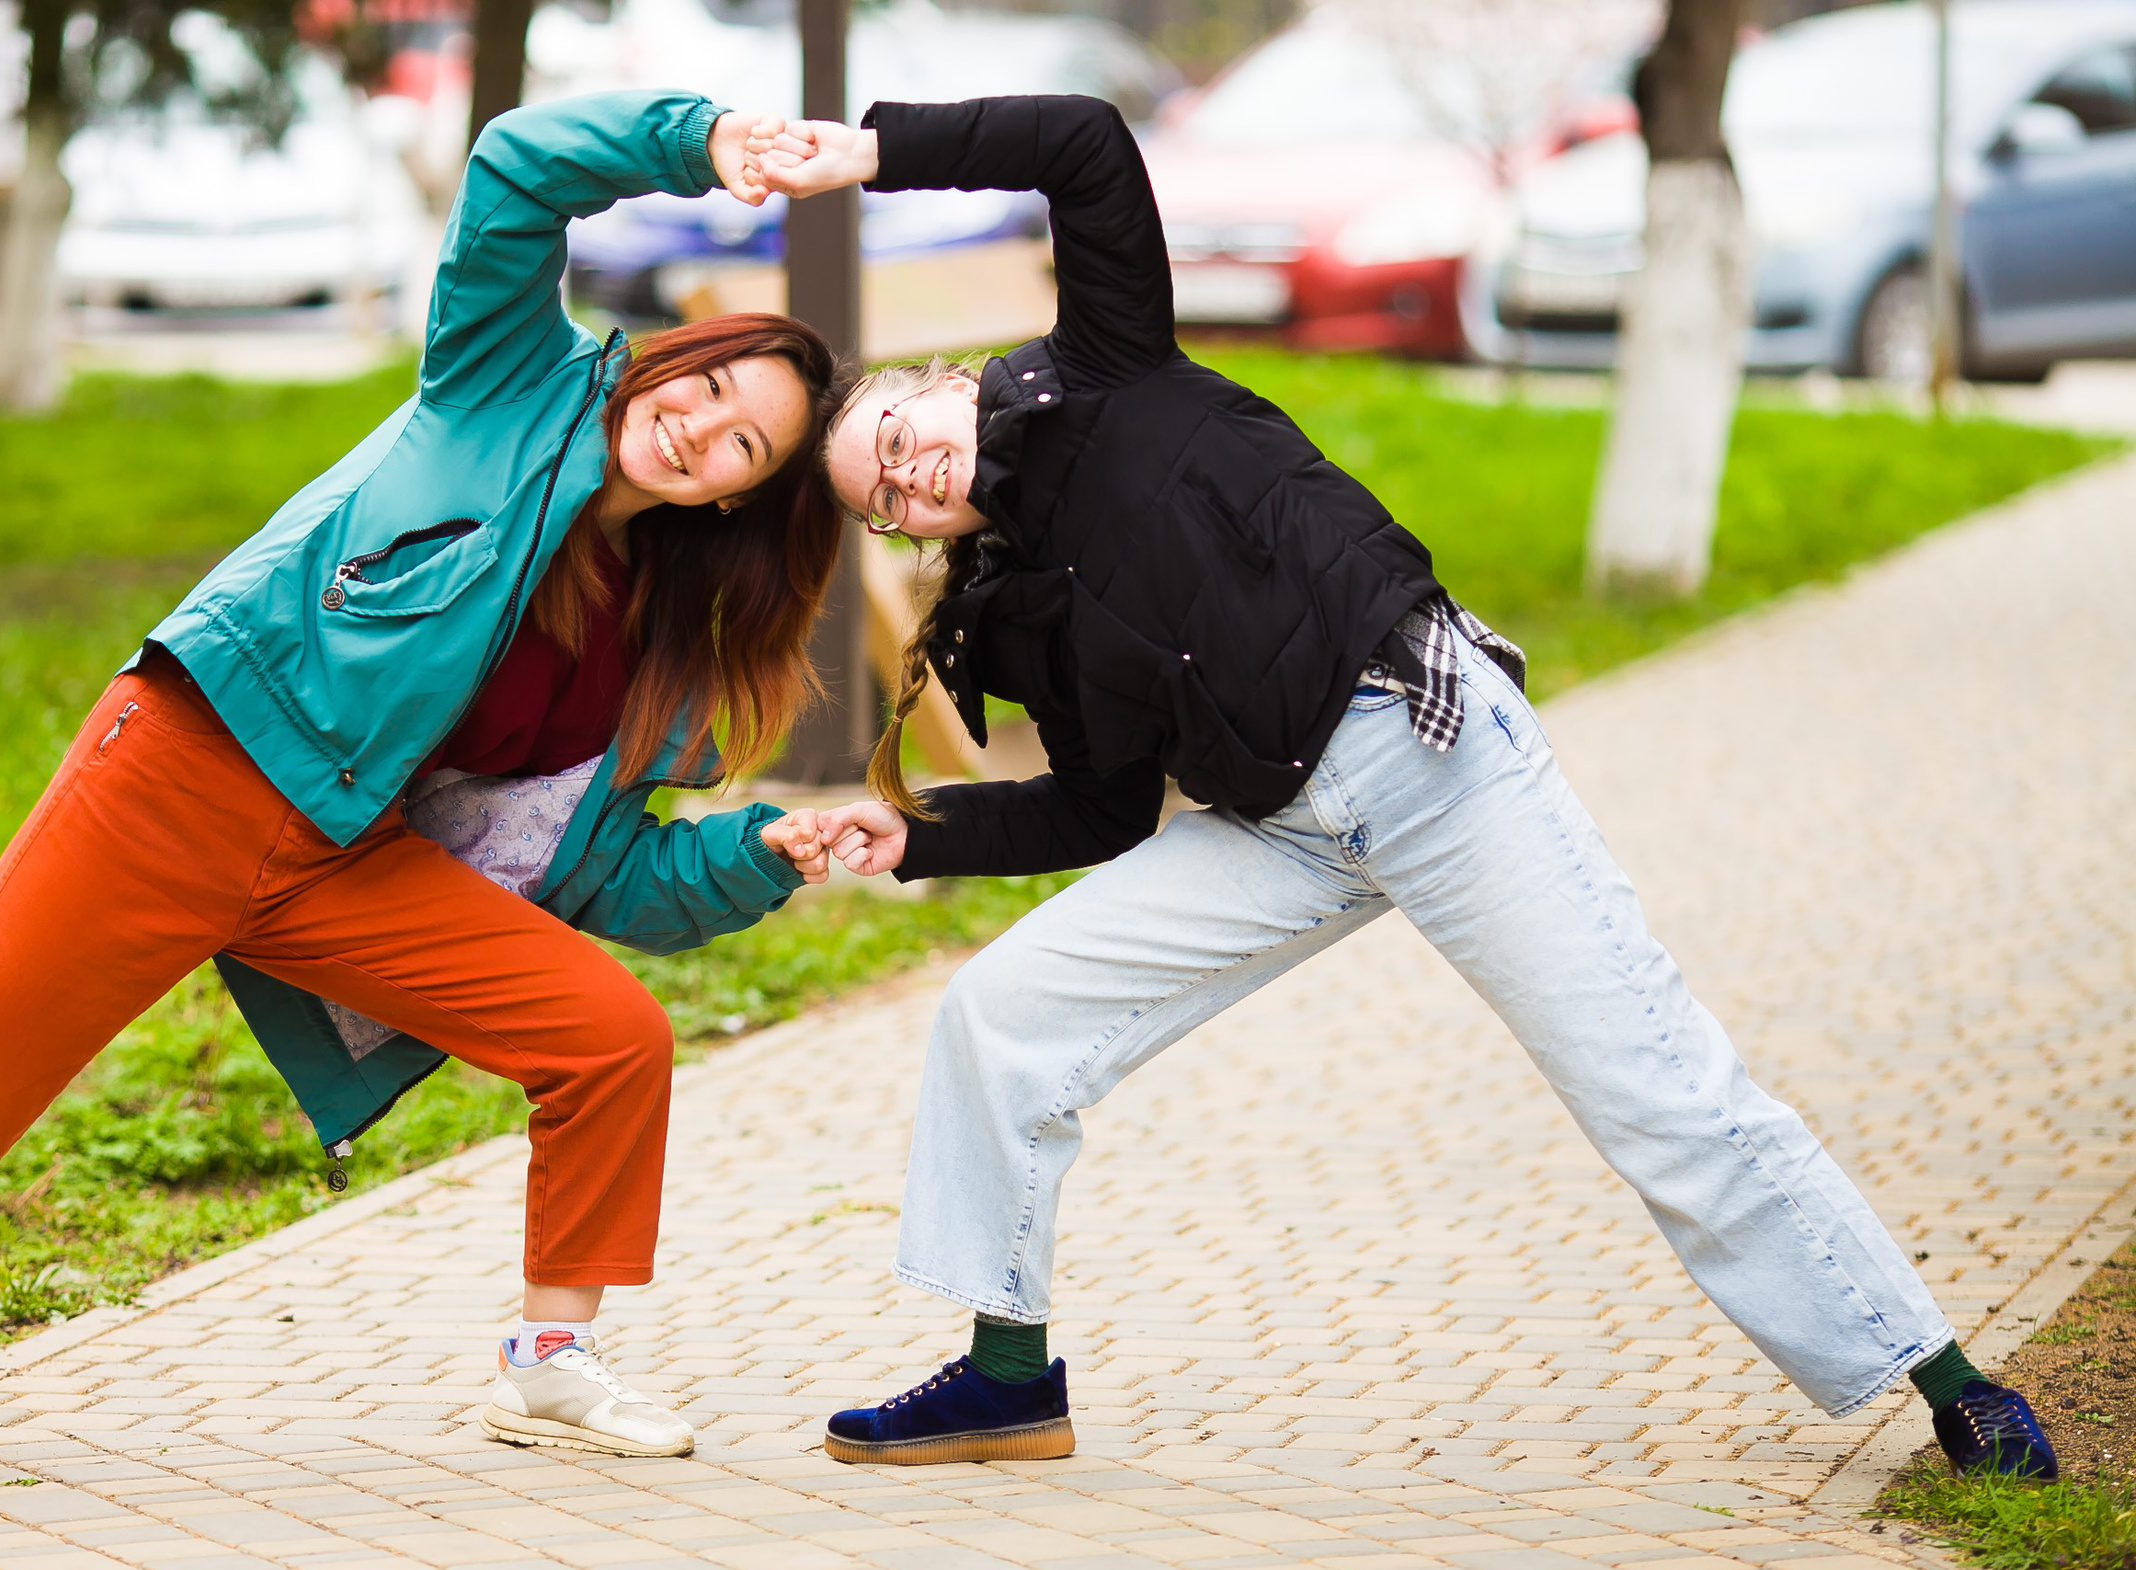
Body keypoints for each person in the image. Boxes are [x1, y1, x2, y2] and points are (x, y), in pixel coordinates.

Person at [753, 95, 2058, 1480]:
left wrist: (874, 153)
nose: (912, 477)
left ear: (947, 384)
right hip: (1280, 832)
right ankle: (1008, 1381)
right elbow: (1099, 810)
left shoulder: (1107, 363)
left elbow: (1082, 144)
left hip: (1426, 751)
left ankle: (1946, 1378)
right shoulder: (1012, 612)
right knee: (1002, 1011)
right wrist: (914, 832)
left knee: (1656, 1092)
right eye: (886, 498)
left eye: (899, 434)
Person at [0, 91, 847, 1487]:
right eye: (709, 386)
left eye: (743, 444)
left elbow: (607, 872)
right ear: (674, 358)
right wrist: (703, 141)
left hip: (342, 860)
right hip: (184, 775)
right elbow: (514, 167)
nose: (698, 428)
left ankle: (550, 1363)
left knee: (609, 1034)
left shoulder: (658, 647)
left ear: (739, 499)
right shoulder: (506, 377)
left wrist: (765, 853)